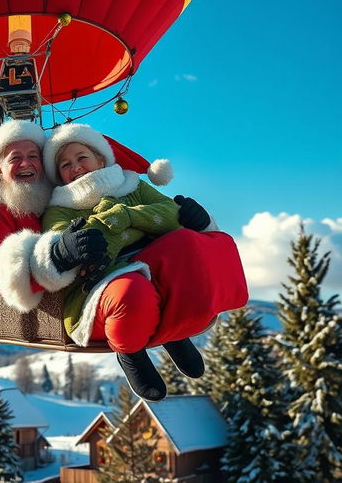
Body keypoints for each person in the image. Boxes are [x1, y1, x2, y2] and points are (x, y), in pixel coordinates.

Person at [41, 123, 248, 400]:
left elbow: (171, 213)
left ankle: (175, 334)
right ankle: (131, 353)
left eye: (81, 157)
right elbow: (62, 240)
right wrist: (134, 225)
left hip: (155, 263)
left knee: (187, 244)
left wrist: (126, 217)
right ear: (60, 176)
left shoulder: (132, 185)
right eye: (65, 164)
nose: (75, 166)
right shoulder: (59, 208)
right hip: (100, 281)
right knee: (132, 290)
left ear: (101, 159)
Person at [0, 120, 107, 313]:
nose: (26, 163)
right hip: (65, 307)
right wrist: (54, 257)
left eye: (33, 156)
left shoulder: (63, 192)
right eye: (15, 158)